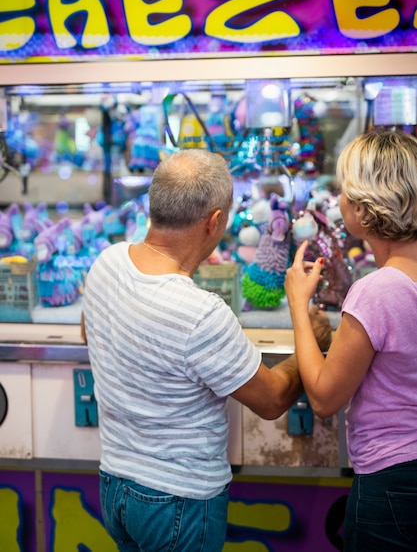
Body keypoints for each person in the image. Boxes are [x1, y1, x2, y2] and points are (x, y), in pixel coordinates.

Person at [81, 148, 305, 552]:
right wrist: (315, 340)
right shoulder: (199, 314)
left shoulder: (107, 262)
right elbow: (272, 400)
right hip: (177, 502)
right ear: (215, 221)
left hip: (114, 487)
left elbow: (89, 332)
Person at [284, 128, 417, 552]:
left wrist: (299, 308)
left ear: (363, 206)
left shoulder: (380, 290)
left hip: (394, 481)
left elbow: (324, 398)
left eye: (343, 191)